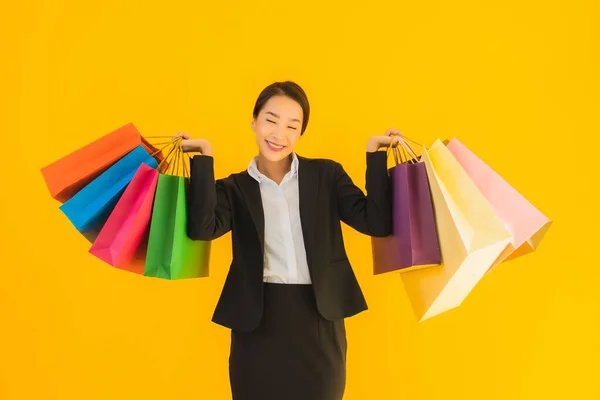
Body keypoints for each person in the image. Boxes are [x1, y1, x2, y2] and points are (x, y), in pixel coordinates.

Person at [176, 81, 399, 400]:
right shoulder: (234, 188)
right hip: (257, 323)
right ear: (254, 121)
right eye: (270, 120)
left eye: (292, 126)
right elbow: (202, 229)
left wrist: (375, 155)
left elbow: (375, 222)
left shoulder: (326, 175)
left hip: (318, 320)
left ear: (300, 134)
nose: (278, 134)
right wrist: (203, 158)